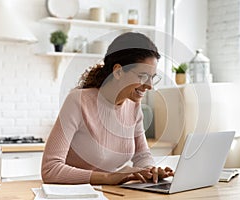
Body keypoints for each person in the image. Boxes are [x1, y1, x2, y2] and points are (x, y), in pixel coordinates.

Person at [41, 32, 174, 185]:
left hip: (111, 193)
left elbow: (142, 156)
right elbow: (50, 170)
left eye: (153, 77)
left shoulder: (134, 106)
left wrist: (151, 172)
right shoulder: (78, 101)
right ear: (117, 71)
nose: (150, 85)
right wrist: (109, 177)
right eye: (143, 76)